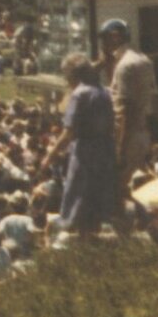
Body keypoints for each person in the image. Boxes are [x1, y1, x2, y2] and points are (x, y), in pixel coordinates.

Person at [46, 54, 119, 240]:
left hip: (85, 151)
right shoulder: (103, 91)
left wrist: (50, 157)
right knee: (96, 200)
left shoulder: (80, 94)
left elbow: (69, 132)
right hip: (106, 149)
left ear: (72, 75)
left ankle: (83, 241)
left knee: (79, 198)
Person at [100, 19, 155, 234]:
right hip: (142, 131)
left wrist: (119, 149)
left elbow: (124, 111)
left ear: (114, 37)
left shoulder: (124, 66)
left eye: (105, 38)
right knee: (123, 187)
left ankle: (124, 235)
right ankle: (143, 224)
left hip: (128, 135)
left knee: (114, 188)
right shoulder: (142, 60)